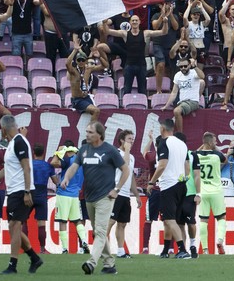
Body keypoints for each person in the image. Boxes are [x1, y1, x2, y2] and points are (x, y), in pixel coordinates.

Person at [60, 121, 130, 275]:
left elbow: (125, 170)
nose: (87, 135)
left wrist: (117, 189)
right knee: (98, 231)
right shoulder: (83, 149)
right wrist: (66, 178)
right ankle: (109, 265)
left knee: (99, 232)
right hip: (89, 197)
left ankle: (91, 263)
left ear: (99, 134)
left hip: (105, 197)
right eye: (87, 132)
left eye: (90, 132)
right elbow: (74, 167)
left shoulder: (110, 150)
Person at [0, 115, 45, 274]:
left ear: (3, 129)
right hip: (13, 191)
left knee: (15, 226)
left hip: (20, 191)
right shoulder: (12, 144)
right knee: (13, 227)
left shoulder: (19, 142)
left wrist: (26, 191)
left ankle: (13, 265)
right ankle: (34, 258)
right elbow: (8, 168)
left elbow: (27, 167)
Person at [147, 118, 193, 259]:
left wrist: (151, 182)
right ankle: (165, 250)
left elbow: (162, 165)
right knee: (169, 219)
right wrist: (183, 179)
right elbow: (187, 167)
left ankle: (182, 249)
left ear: (162, 128)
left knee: (169, 219)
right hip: (181, 184)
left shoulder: (163, 143)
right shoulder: (182, 144)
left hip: (169, 185)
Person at [51, 141, 90, 255]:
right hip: (75, 195)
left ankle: (64, 249)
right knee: (77, 221)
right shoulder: (81, 161)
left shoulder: (68, 160)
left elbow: (53, 162)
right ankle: (84, 241)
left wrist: (59, 151)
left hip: (63, 194)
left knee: (62, 221)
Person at [107, 130, 142, 259]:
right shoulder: (115, 153)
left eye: (132, 139)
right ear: (122, 140)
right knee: (110, 222)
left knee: (122, 223)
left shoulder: (131, 156)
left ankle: (121, 251)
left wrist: (137, 195)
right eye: (129, 139)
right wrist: (127, 150)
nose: (131, 141)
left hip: (126, 194)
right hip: (116, 191)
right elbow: (124, 166)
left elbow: (130, 176)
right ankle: (103, 249)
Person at [195, 132, 228, 255]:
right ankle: (219, 240)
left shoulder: (196, 155)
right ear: (209, 142)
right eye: (214, 141)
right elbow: (225, 159)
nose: (216, 143)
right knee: (221, 218)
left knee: (203, 220)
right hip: (216, 191)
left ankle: (205, 249)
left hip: (202, 191)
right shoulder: (216, 155)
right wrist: (212, 147)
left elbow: (193, 153)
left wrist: (203, 145)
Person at [162, 57, 204, 132]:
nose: (183, 68)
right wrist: (166, 105)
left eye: (185, 66)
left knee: (176, 111)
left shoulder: (194, 72)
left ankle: (180, 134)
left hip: (192, 101)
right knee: (177, 110)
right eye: (181, 66)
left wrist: (195, 66)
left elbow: (202, 76)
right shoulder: (177, 75)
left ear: (189, 65)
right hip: (182, 102)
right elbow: (174, 92)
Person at [32, 144, 57, 254]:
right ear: (44, 153)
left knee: (22, 221)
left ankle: (24, 248)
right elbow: (56, 181)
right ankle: (42, 249)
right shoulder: (48, 166)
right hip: (42, 195)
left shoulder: (29, 164)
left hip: (30, 194)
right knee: (41, 223)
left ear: (34, 153)